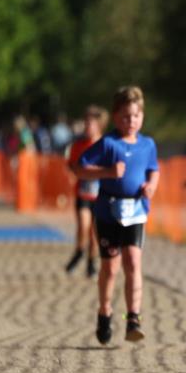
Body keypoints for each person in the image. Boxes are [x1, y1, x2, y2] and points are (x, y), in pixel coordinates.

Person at [74, 87, 160, 345]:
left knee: (133, 261)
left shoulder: (148, 144)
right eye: (124, 116)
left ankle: (133, 317)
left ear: (141, 116)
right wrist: (107, 172)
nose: (130, 121)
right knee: (110, 267)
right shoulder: (108, 143)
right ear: (114, 117)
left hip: (135, 211)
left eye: (135, 116)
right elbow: (80, 168)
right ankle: (104, 312)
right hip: (108, 212)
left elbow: (154, 169)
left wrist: (151, 186)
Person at [65, 105, 107, 278]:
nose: (88, 127)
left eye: (91, 124)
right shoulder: (78, 145)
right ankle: (79, 251)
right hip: (83, 193)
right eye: (86, 123)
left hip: (100, 195)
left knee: (94, 232)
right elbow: (71, 165)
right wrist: (79, 170)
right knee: (83, 225)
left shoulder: (106, 144)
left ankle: (91, 261)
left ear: (99, 125)